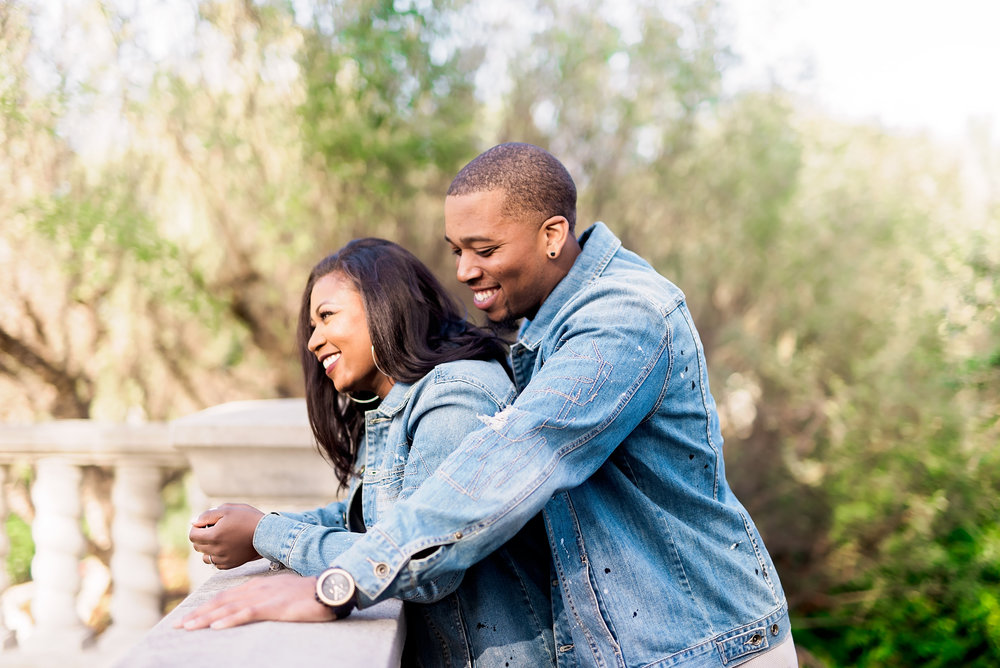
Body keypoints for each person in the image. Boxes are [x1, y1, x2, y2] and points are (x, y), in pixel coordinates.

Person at [185, 144, 796, 667]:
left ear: (552, 235)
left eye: (483, 249)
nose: (464, 271)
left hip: (711, 648)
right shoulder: (545, 328)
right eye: (456, 250)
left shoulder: (623, 318)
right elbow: (396, 505)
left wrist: (338, 585)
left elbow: (521, 454)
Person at [179, 238, 556, 667]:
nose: (312, 341)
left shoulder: (456, 397)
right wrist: (259, 528)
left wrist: (267, 534)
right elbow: (368, 521)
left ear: (385, 304)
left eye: (326, 317)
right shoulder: (393, 406)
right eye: (311, 327)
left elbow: (425, 560)